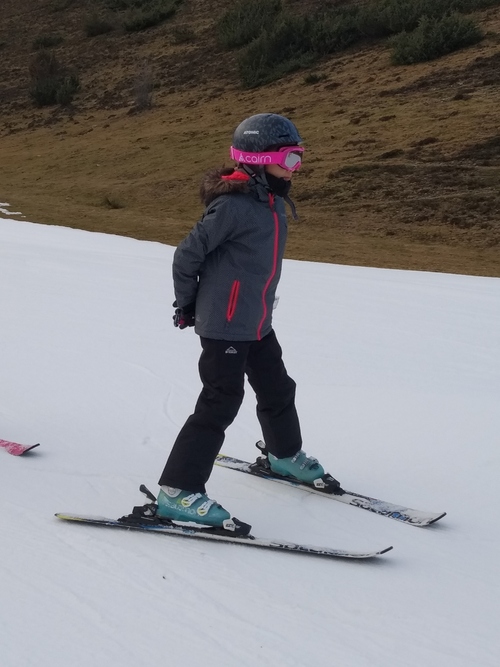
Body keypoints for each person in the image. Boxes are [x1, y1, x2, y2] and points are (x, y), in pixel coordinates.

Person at [156, 113, 340, 532]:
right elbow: (186, 256)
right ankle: (177, 491)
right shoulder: (234, 206)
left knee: (277, 387)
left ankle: (283, 455)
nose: (297, 168)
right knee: (220, 401)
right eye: (290, 159)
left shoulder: (269, 202)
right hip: (225, 326)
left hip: (256, 322)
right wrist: (186, 305)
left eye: (298, 158)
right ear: (258, 161)